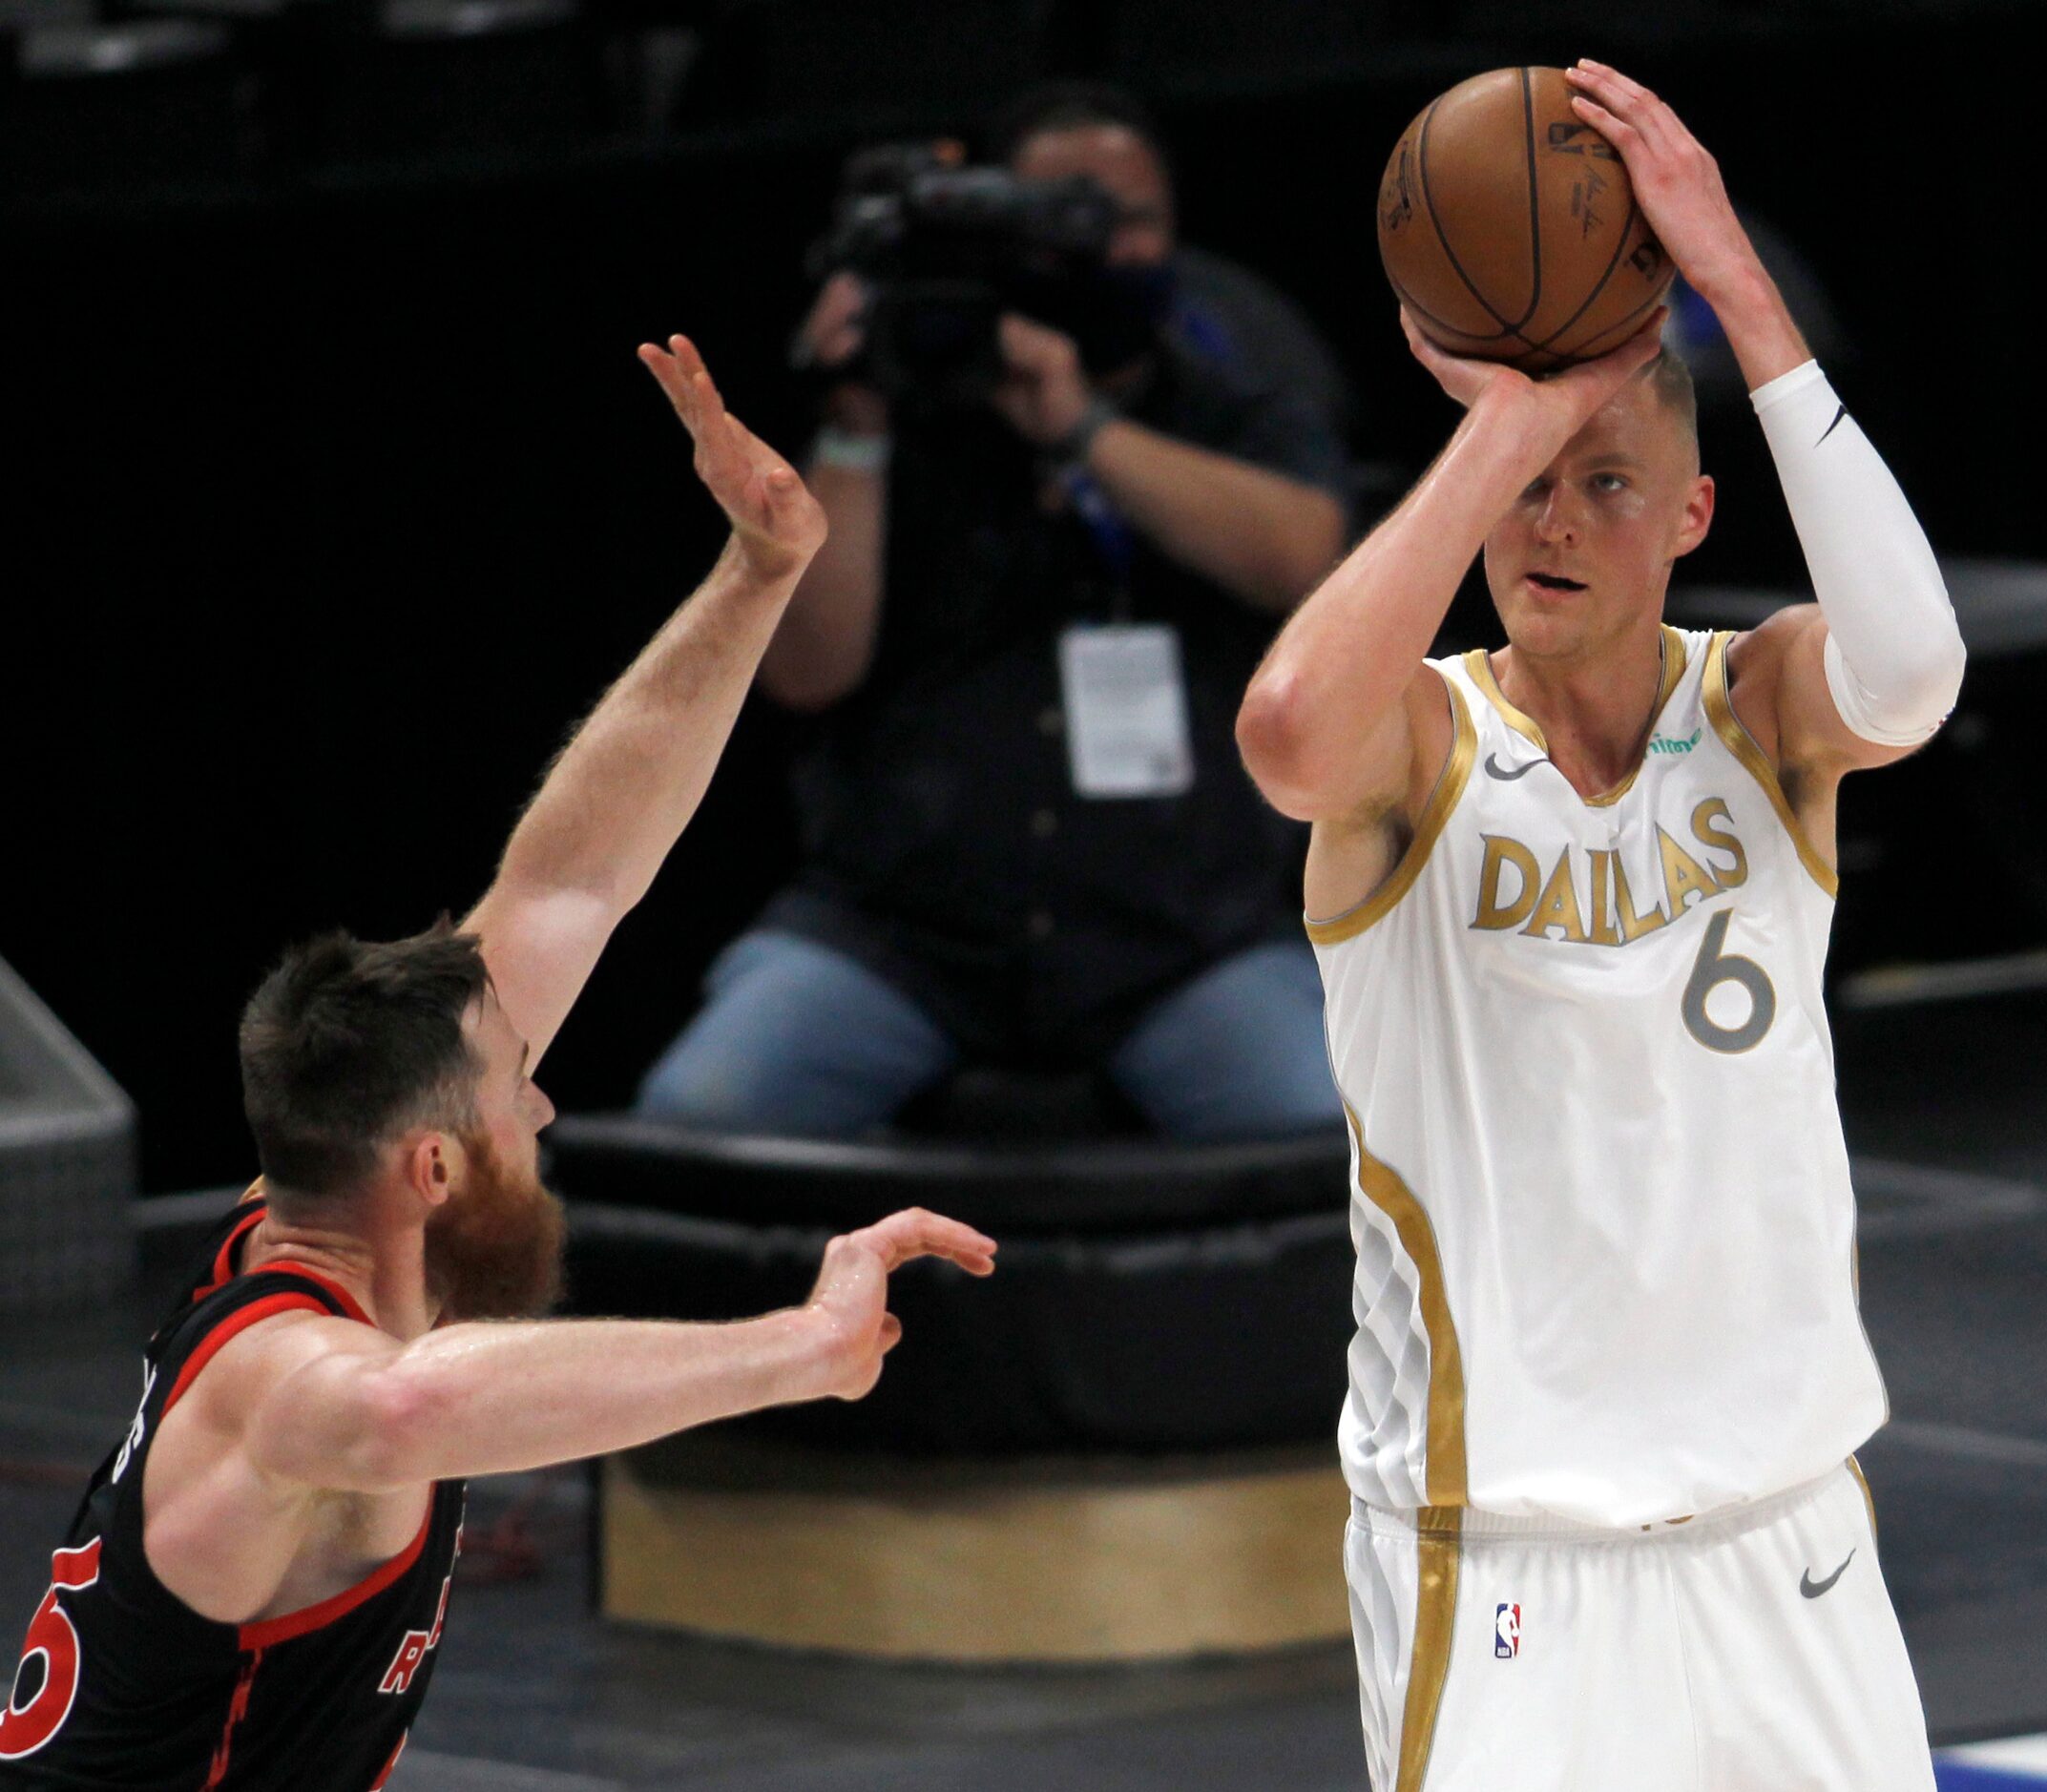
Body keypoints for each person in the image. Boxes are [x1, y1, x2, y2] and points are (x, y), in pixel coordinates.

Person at [0, 338, 996, 1790]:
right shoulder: (288, 1373)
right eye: (512, 1084)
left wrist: (760, 570)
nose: (542, 1096)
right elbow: (408, 1405)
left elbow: (570, 884)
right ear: (433, 1162)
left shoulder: (319, 1229)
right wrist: (802, 1346)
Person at [1236, 62, 1963, 1792]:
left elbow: (1918, 670)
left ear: (1695, 517)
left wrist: (1737, 296)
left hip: (1790, 1530)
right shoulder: (1417, 746)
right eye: (1528, 491)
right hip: (1506, 1562)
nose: (1554, 524)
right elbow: (1280, 735)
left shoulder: (1771, 713)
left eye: (1607, 484)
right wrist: (1508, 416)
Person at [635, 84, 1353, 1144]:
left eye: (1131, 219)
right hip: (899, 931)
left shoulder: (1226, 382)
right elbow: (804, 672)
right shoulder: (904, 377)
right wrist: (855, 426)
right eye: (1063, 213)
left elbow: (1304, 559)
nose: (1103, 244)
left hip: (1178, 937)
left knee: (1337, 1136)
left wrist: (1080, 426)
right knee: (701, 1119)